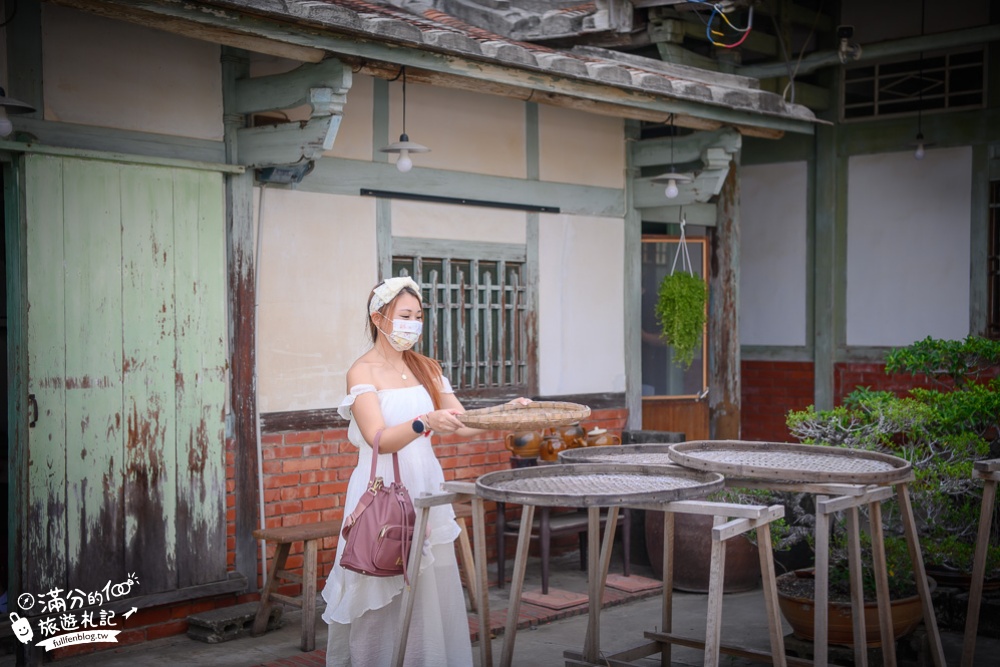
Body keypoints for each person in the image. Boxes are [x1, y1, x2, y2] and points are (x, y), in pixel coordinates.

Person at [322, 276, 528, 667]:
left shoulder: (427, 368)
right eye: (405, 315)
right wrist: (423, 422)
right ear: (378, 317)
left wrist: (505, 415)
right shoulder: (361, 371)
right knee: (379, 580)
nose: (413, 324)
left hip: (426, 487)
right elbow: (377, 437)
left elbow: (463, 424)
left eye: (418, 316)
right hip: (382, 490)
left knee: (429, 589)